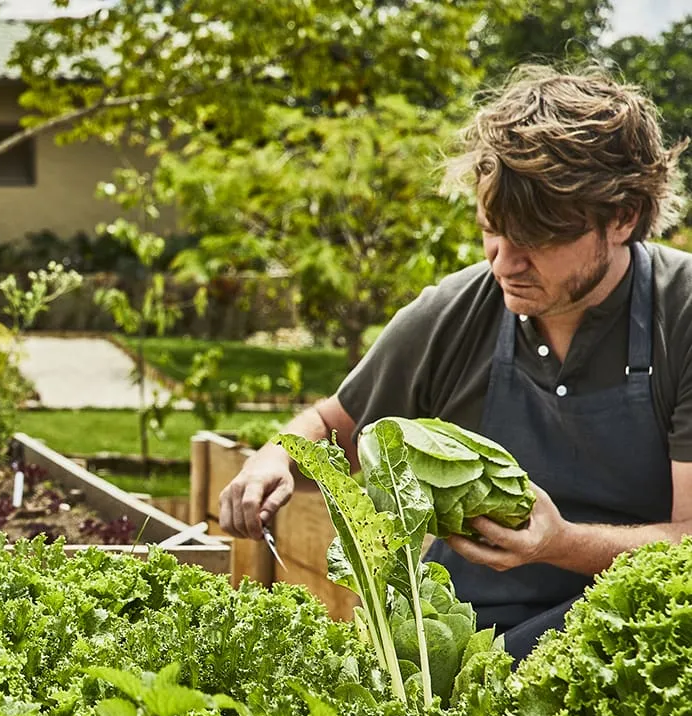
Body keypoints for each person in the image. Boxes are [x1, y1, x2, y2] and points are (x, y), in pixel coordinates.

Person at [220, 66, 692, 660]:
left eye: (537, 240)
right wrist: (277, 458)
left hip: (628, 643)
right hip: (465, 649)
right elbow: (334, 424)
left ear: (622, 218)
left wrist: (562, 543)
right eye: (492, 232)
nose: (504, 264)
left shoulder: (681, 315)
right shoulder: (456, 312)